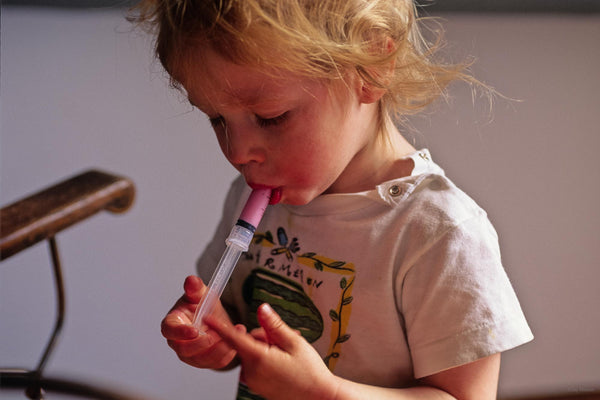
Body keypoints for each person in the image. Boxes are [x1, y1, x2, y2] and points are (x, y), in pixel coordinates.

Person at [132, 0, 533, 398]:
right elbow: (243, 327)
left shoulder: (438, 234)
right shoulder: (252, 198)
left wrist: (327, 394)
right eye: (217, 119)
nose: (238, 152)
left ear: (371, 69)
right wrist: (217, 336)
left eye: (271, 117)